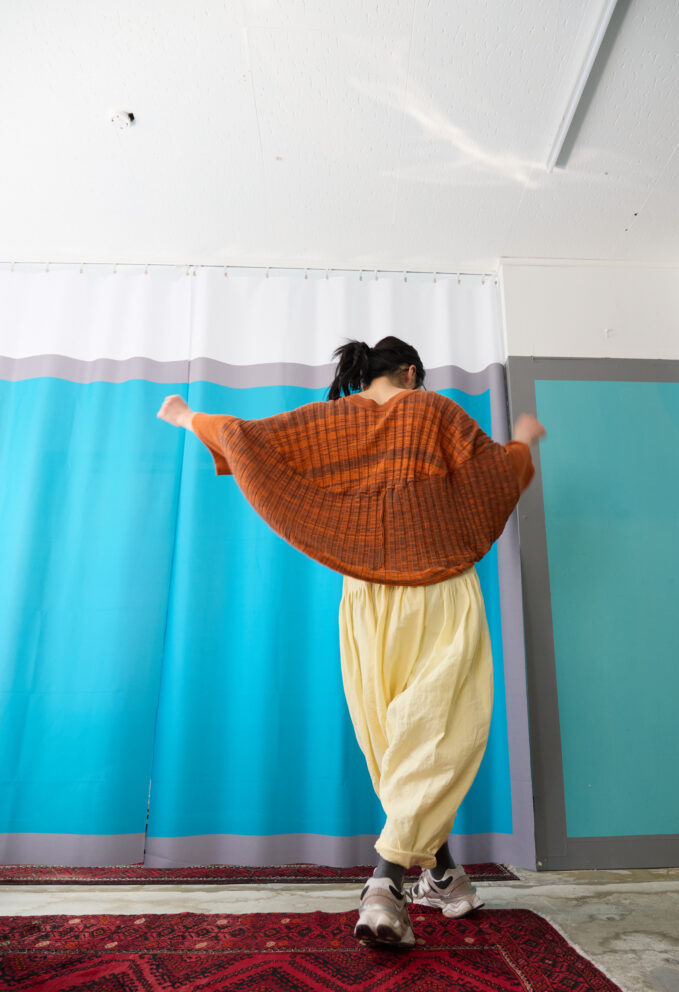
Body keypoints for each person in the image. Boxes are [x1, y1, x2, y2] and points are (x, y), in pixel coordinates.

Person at [157, 335, 545, 948]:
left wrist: (188, 418)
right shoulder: (433, 409)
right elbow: (496, 477)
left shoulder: (332, 421)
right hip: (439, 589)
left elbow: (246, 438)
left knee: (396, 745)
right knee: (434, 737)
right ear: (411, 372)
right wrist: (523, 443)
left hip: (366, 601)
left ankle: (444, 878)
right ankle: (385, 886)